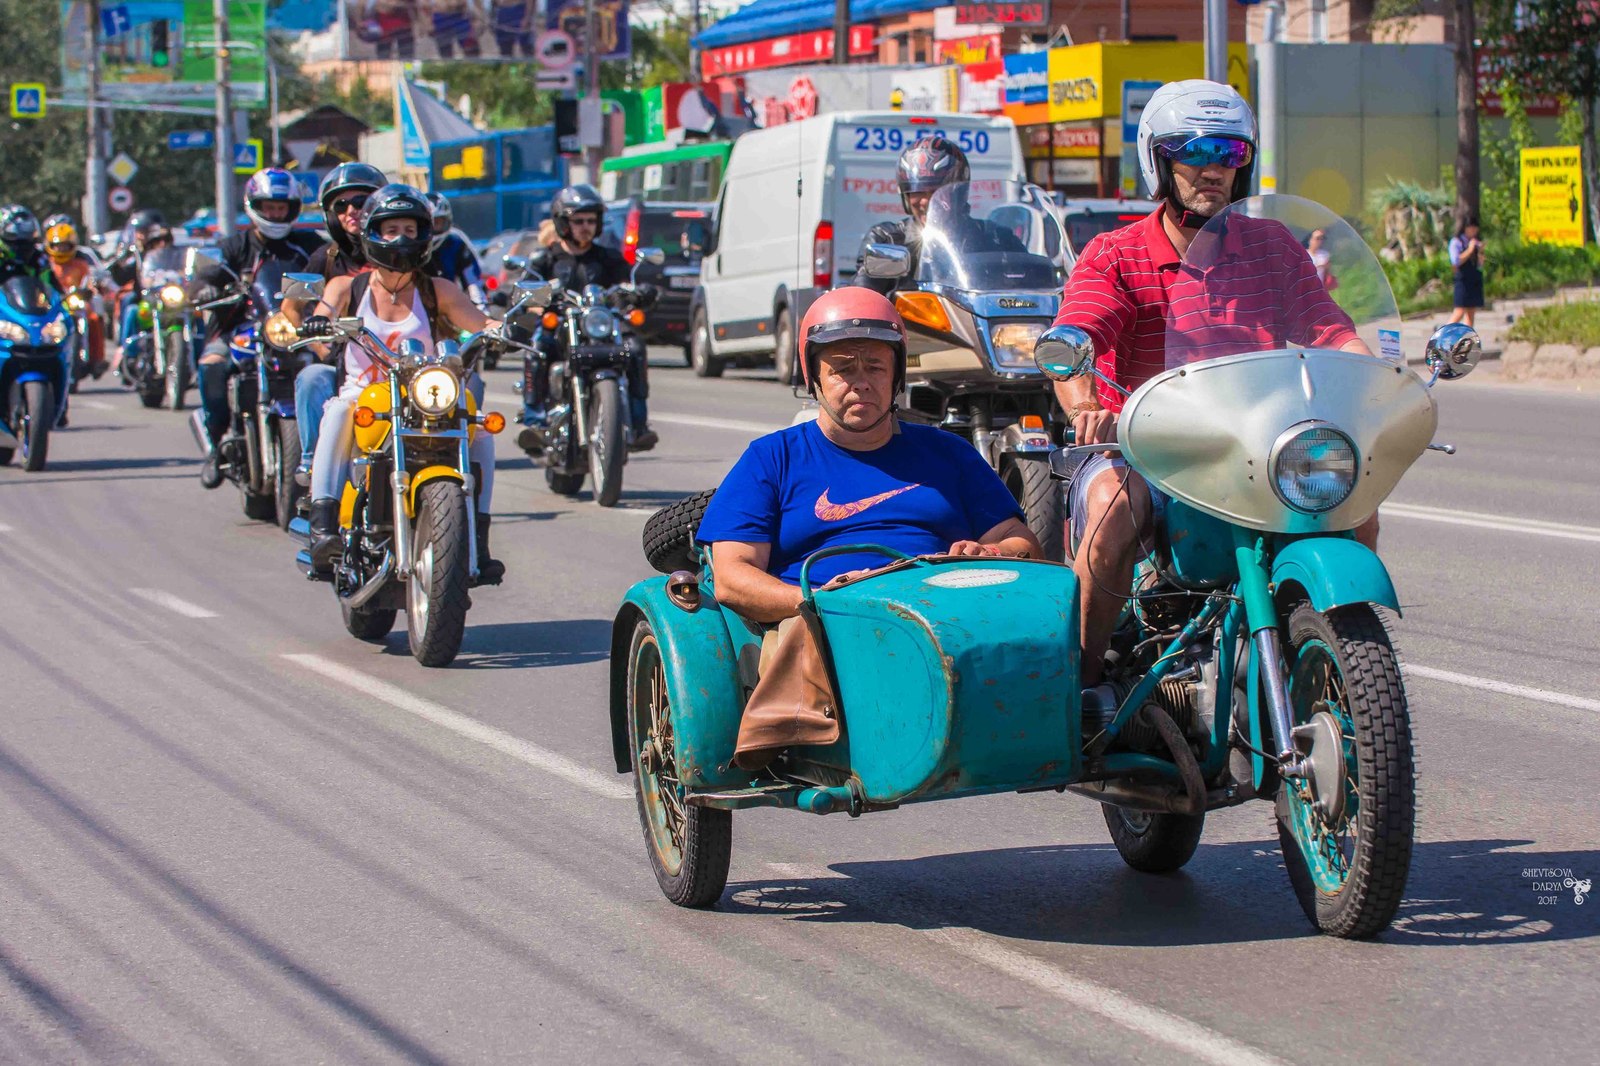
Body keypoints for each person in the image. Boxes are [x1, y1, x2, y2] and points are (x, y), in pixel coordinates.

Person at [1048, 79, 1370, 699]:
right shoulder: (1115, 254)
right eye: (1193, 150)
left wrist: (1376, 375)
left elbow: (1325, 326)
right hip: (1142, 450)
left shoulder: (1273, 247)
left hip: (1255, 449)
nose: (1212, 168)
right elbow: (1078, 334)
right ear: (1159, 160)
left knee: (1353, 493)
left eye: (1229, 153)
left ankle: (1343, 663)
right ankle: (1083, 686)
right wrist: (1086, 403)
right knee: (1112, 515)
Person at [697, 286, 1040, 625]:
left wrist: (992, 552)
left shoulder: (950, 453)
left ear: (897, 376)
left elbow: (1023, 543)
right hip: (816, 628)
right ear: (813, 378)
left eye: (875, 367)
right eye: (843, 369)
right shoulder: (771, 458)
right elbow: (732, 576)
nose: (861, 383)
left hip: (942, 619)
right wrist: (815, 600)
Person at [294, 183, 505, 584]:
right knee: (337, 410)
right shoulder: (347, 287)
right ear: (372, 232)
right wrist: (320, 323)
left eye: (410, 230)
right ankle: (322, 525)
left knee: (479, 426)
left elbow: (479, 322)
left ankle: (478, 533)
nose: (401, 239)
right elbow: (321, 316)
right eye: (391, 230)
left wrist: (504, 327)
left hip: (423, 394)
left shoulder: (436, 289)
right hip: (364, 394)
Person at [189, 168, 323, 488]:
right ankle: (215, 439)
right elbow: (201, 278)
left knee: (327, 367)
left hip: (294, 326)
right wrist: (204, 289)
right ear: (254, 207)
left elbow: (328, 267)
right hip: (238, 327)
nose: (276, 214)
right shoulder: (234, 245)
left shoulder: (308, 244)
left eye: (282, 208)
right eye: (269, 208)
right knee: (212, 365)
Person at [517, 183, 657, 453]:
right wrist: (538, 301)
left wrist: (640, 292)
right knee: (537, 349)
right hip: (562, 325)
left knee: (636, 348)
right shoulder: (545, 260)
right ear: (562, 222)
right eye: (578, 220)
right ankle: (534, 421)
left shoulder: (608, 258)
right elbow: (526, 293)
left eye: (591, 221)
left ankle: (639, 424)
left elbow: (628, 284)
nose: (585, 227)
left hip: (600, 327)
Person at [293, 162, 388, 485]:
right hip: (344, 363)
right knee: (311, 378)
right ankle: (312, 463)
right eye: (341, 205)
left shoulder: (403, 253)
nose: (352, 211)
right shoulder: (327, 258)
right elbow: (294, 309)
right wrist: (322, 346)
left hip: (400, 362)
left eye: (361, 202)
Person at [850, 136, 1024, 295]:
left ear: (959, 193)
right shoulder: (888, 240)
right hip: (910, 329)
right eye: (917, 192)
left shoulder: (995, 239)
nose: (926, 201)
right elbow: (863, 298)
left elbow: (1035, 281)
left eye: (936, 191)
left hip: (978, 328)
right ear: (905, 196)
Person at [106, 210, 173, 370]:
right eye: (139, 232)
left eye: (145, 231)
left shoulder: (174, 253)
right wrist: (118, 263)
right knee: (131, 310)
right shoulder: (136, 255)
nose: (141, 235)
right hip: (148, 302)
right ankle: (129, 355)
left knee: (196, 313)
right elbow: (121, 278)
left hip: (172, 301)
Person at [45, 221, 107, 377]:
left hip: (75, 304)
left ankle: (97, 359)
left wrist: (91, 289)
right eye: (57, 245)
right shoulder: (45, 264)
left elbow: (90, 280)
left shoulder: (80, 263)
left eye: (65, 246)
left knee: (93, 319)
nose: (61, 249)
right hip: (52, 306)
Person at [426, 193, 487, 309]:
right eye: (429, 223)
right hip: (415, 306)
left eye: (437, 222)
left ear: (447, 221)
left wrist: (480, 306)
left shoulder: (456, 242)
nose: (433, 228)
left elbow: (472, 280)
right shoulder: (412, 245)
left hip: (449, 306)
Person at [0, 205, 56, 289]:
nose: (22, 237)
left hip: (32, 300)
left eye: (26, 230)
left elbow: (51, 289)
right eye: (13, 232)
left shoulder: (40, 259)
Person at [1447, 217, 1484, 327]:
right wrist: (1470, 249)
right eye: (1471, 228)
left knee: (1471, 312)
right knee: (1459, 311)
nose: (1473, 231)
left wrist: (1480, 254)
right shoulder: (1456, 242)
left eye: (1475, 228)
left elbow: (1479, 265)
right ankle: (1442, 336)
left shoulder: (1475, 242)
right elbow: (1456, 261)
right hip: (1462, 280)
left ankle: (1466, 339)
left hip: (1474, 279)